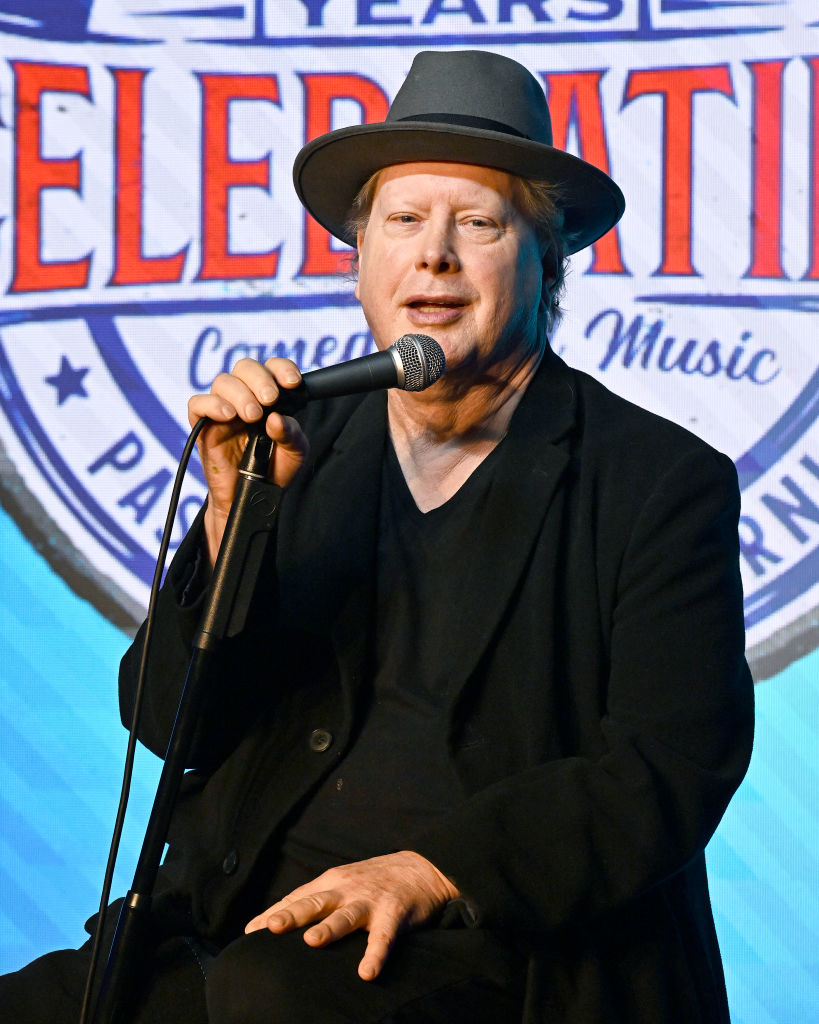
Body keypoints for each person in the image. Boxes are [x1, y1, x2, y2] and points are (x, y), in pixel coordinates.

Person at [1, 49, 753, 1023]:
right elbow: (160, 716)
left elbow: (667, 766)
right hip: (230, 923)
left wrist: (436, 869)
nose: (433, 254)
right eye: (403, 221)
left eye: (476, 223)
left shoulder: (660, 481)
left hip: (494, 954)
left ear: (545, 259)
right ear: (361, 261)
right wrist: (233, 521)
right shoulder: (296, 441)